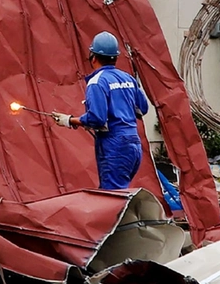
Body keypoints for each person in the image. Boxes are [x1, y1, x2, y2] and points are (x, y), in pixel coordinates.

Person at [50, 31, 150, 190]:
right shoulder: (128, 78)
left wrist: (69, 120)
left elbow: (97, 119)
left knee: (113, 196)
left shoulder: (97, 82)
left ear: (93, 56)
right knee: (120, 192)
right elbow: (142, 109)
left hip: (114, 146)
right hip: (133, 145)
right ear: (115, 57)